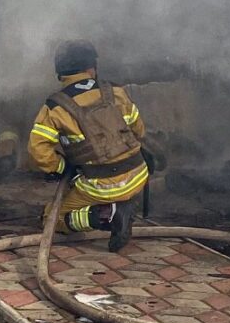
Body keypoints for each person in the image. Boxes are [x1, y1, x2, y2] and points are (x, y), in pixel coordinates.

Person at [27, 40, 147, 251]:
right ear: (92, 68)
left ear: (60, 74)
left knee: (52, 218)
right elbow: (139, 130)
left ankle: (108, 215)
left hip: (100, 185)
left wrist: (62, 168)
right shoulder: (116, 92)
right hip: (138, 175)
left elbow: (38, 151)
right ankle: (120, 204)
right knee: (85, 189)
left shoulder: (56, 107)